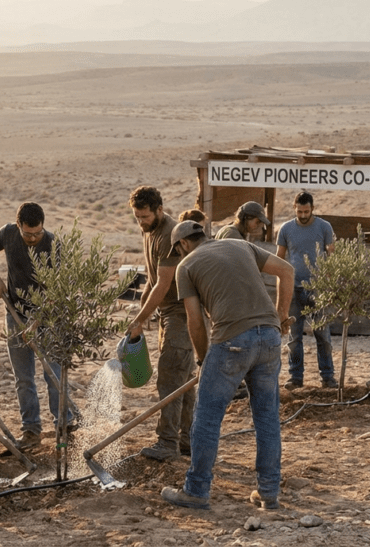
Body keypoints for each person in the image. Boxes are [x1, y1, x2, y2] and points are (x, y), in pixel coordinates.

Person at [160, 220, 294, 511]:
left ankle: (196, 491)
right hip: (270, 338)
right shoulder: (240, 245)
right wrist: (281, 317)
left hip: (232, 340)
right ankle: (269, 493)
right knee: (267, 417)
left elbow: (195, 321)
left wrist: (203, 358)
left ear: (183, 244)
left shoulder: (187, 265)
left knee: (207, 417)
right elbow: (287, 270)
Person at [0, 202, 76, 451]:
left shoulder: (52, 244)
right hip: (15, 313)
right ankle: (31, 431)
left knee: (53, 373)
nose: (34, 238)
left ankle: (65, 426)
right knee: (23, 378)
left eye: (38, 233)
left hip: (48, 318)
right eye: (28, 234)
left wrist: (36, 323)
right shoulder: (7, 233)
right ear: (19, 226)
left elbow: (55, 291)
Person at [127, 186, 196, 461]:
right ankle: (186, 441)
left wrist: (140, 319)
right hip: (167, 313)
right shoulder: (150, 232)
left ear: (159, 209)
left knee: (171, 377)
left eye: (144, 216)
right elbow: (152, 281)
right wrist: (142, 312)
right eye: (137, 217)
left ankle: (168, 443)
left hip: (181, 312)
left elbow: (164, 283)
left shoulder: (170, 234)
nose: (141, 222)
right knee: (184, 379)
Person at [276, 191, 337, 389]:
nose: (303, 215)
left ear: (313, 209)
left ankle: (327, 377)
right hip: (293, 289)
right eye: (300, 211)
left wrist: (329, 281)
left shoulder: (324, 227)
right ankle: (295, 377)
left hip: (318, 289)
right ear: (295, 209)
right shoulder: (285, 229)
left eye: (307, 211)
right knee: (294, 337)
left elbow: (333, 255)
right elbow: (279, 259)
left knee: (323, 335)